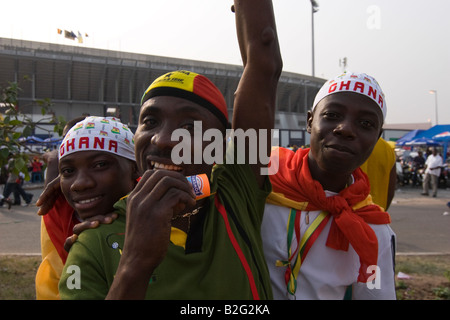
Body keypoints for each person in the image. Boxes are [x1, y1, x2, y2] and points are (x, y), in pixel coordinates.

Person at [58, 1, 282, 300]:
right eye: (149, 121)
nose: (163, 140)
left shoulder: (234, 194)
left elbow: (263, 64)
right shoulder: (93, 244)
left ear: (220, 146)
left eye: (190, 127)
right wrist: (135, 264)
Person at [262, 71, 396, 299]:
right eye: (332, 115)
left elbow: (375, 294)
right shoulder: (263, 184)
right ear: (309, 121)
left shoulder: (374, 232)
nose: (345, 129)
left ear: (377, 137)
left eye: (365, 123)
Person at [35, 116, 138, 299]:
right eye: (68, 171)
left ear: (136, 168)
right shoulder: (56, 214)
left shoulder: (166, 208)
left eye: (99, 165)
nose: (79, 184)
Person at [360, 137, 396, 211]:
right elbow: (390, 193)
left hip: (345, 216)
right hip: (376, 215)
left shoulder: (346, 142)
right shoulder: (387, 149)